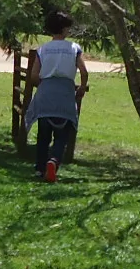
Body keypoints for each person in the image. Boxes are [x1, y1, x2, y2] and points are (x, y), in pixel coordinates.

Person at [23, 11, 91, 182]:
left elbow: (33, 75)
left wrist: (44, 85)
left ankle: (40, 168)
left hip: (46, 93)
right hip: (65, 94)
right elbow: (84, 71)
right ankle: (54, 160)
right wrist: (81, 87)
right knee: (62, 135)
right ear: (65, 28)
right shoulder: (74, 49)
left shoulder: (43, 49)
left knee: (43, 135)